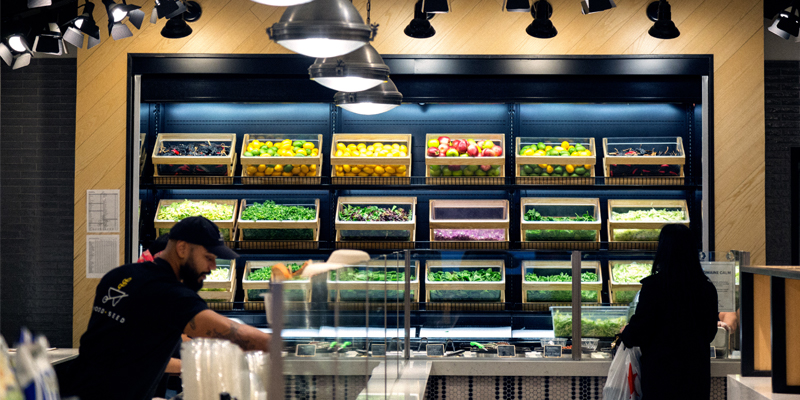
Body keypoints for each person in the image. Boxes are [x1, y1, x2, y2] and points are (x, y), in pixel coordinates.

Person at [60, 216, 272, 400]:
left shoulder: (118, 276)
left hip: (75, 391)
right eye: (208, 258)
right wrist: (283, 347)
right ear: (182, 248)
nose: (212, 267)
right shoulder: (170, 294)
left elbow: (119, 351)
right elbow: (234, 334)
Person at [620, 224, 719, 400]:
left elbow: (639, 332)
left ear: (663, 250)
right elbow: (710, 333)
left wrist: (625, 333)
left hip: (661, 379)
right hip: (696, 380)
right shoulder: (707, 288)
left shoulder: (654, 287)